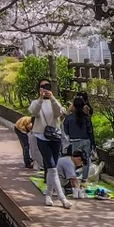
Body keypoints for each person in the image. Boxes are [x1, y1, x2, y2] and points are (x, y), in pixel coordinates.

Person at [28, 80, 70, 208]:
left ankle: (48, 196)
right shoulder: (35, 102)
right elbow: (34, 113)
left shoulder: (54, 101)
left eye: (47, 87)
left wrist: (52, 98)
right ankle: (63, 199)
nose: (44, 89)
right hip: (41, 136)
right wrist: (41, 99)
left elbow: (58, 113)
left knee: (53, 168)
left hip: (55, 136)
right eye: (42, 87)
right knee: (51, 167)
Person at [63, 95, 95, 183]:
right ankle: (85, 178)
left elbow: (66, 131)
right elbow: (90, 131)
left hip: (74, 141)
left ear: (73, 105)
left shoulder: (69, 118)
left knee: (75, 159)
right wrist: (93, 143)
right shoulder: (87, 118)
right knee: (86, 159)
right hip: (86, 140)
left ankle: (73, 177)